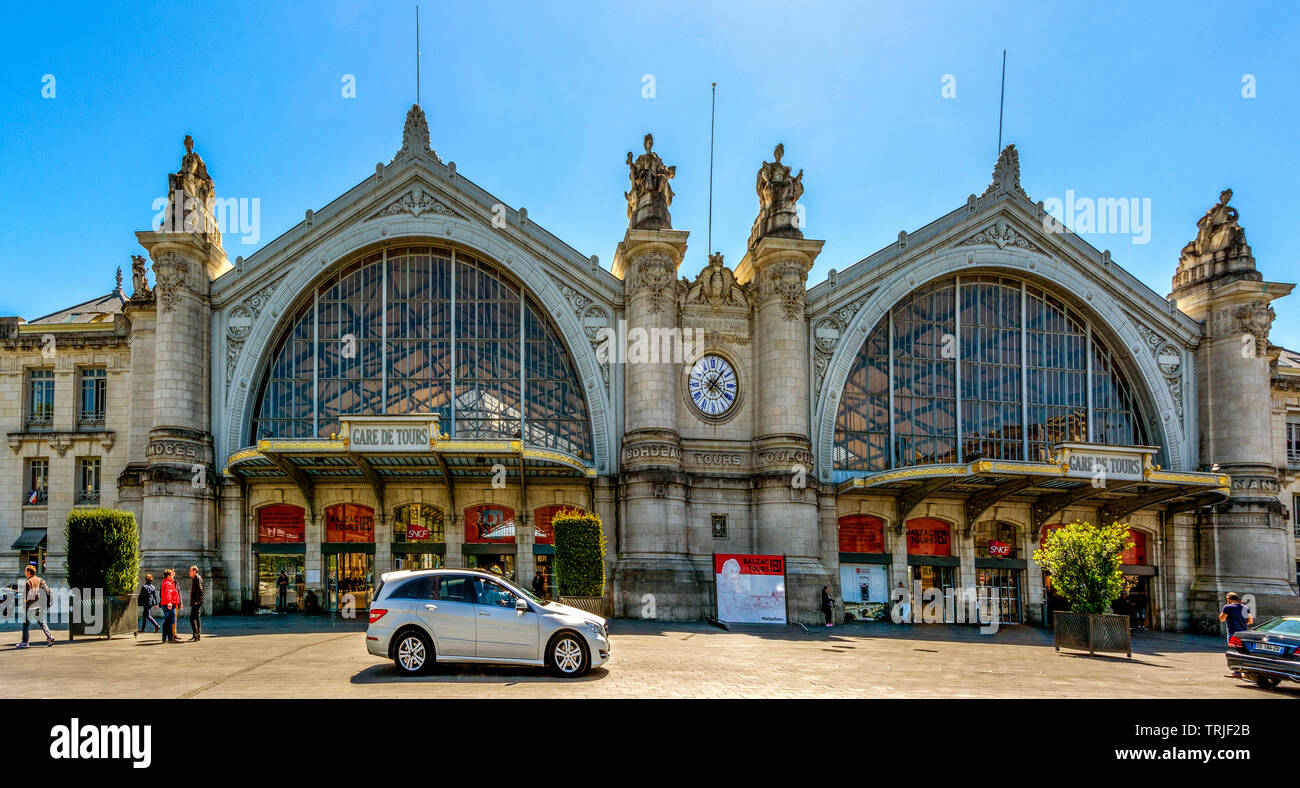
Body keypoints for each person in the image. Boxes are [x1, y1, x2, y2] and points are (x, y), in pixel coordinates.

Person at [17, 564, 54, 648]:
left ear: (29, 572)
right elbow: (47, 590)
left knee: (26, 624)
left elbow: (26, 597)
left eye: (26, 570)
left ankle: (25, 642)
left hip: (30, 606)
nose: (25, 572)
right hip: (39, 605)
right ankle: (50, 637)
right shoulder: (40, 579)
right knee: (41, 621)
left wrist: (24, 605)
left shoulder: (28, 582)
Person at [1220, 591, 1255, 679]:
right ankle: (1247, 673)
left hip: (1233, 633)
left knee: (1234, 652)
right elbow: (1250, 621)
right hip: (1244, 633)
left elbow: (1222, 619)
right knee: (1245, 652)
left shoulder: (1227, 607)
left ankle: (1236, 672)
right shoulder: (1245, 607)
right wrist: (1243, 624)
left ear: (1228, 599)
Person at [160, 569, 181, 643]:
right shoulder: (168, 583)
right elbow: (168, 593)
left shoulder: (166, 582)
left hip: (166, 604)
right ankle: (170, 638)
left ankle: (164, 637)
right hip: (169, 604)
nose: (173, 577)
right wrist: (169, 602)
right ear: (168, 576)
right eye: (172, 575)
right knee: (170, 621)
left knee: (167, 621)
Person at [188, 566, 204, 641]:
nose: (189, 572)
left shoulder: (197, 578)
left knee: (192, 618)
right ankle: (197, 635)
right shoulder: (196, 578)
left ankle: (196, 635)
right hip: (196, 601)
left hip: (196, 602)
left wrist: (197, 601)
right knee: (196, 618)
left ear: (195, 571)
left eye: (190, 571)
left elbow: (200, 591)